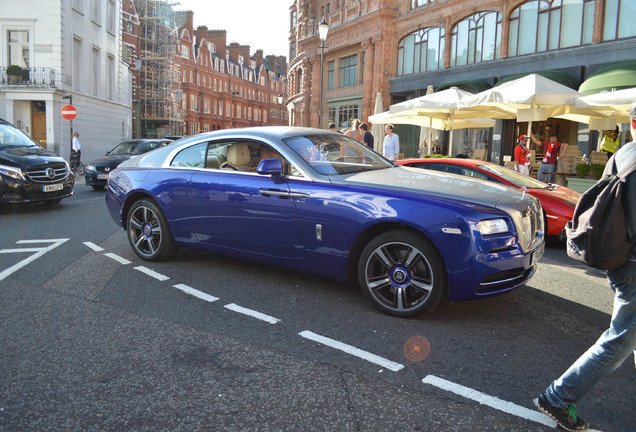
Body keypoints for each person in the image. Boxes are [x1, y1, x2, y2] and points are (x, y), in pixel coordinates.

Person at [533, 100, 636, 432]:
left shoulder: (625, 154)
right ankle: (557, 398)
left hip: (619, 259)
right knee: (619, 340)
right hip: (633, 264)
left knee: (627, 336)